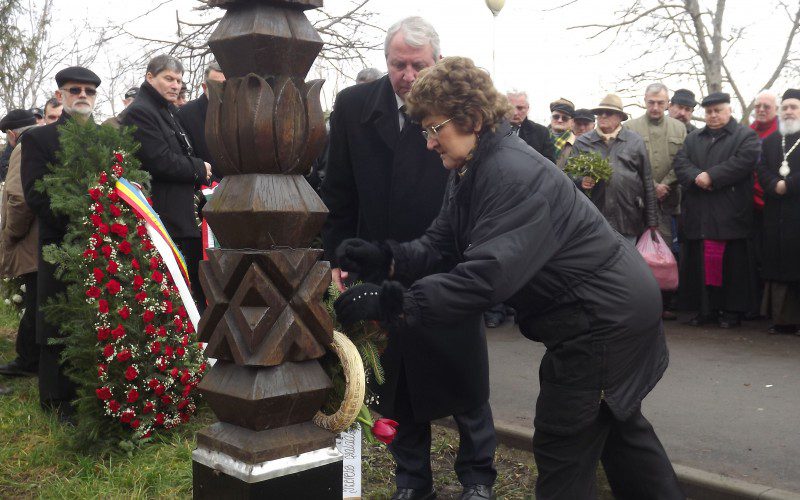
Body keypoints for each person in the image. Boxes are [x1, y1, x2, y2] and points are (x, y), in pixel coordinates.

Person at [333, 56, 683, 500]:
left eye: (434, 129)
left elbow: (487, 278)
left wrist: (394, 304)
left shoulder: (510, 172)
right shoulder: (475, 167)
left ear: (472, 119)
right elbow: (440, 244)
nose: (428, 143)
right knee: (619, 430)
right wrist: (385, 260)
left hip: (600, 320)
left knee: (563, 440)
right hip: (607, 310)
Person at [321, 18, 496, 500]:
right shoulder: (355, 106)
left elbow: (479, 187)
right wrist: (341, 257)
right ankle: (412, 481)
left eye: (417, 64)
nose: (407, 73)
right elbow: (338, 191)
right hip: (380, 266)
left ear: (436, 62)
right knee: (396, 383)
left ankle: (478, 478)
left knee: (465, 379)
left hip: (448, 263)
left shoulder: (457, 112)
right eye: (397, 63)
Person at [21, 65, 103, 422]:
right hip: (61, 243)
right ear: (61, 95)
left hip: (103, 243)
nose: (82, 95)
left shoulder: (104, 138)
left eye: (89, 91)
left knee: (95, 318)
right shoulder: (39, 139)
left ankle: (93, 390)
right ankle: (56, 401)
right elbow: (36, 194)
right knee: (58, 320)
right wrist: (81, 222)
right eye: (75, 90)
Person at [121, 54, 212, 314]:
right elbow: (160, 160)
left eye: (179, 80)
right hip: (167, 217)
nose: (175, 85)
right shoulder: (140, 112)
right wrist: (199, 168)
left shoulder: (167, 110)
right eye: (168, 78)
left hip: (185, 215)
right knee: (180, 293)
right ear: (150, 77)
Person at [673, 92, 761, 329]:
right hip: (700, 213)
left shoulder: (746, 136)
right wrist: (696, 176)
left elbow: (745, 161)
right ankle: (705, 310)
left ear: (729, 110)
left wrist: (712, 176)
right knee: (701, 266)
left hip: (730, 213)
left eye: (718, 110)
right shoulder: (693, 138)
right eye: (709, 111)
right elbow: (680, 163)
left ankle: (731, 311)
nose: (713, 115)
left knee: (733, 267)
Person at [625, 83, 687, 320]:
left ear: (668, 103)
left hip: (668, 201)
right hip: (637, 201)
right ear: (644, 101)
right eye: (651, 102)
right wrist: (651, 186)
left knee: (664, 253)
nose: (656, 107)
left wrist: (665, 185)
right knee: (635, 254)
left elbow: (682, 160)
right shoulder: (630, 127)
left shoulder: (679, 128)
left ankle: (663, 303)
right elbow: (628, 161)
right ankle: (637, 301)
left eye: (661, 103)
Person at [572, 94, 658, 243]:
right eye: (600, 113)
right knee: (597, 263)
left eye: (609, 112)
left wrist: (652, 221)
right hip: (593, 221)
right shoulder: (583, 142)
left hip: (628, 218)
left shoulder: (635, 141)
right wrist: (580, 181)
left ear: (620, 117)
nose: (603, 115)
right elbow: (568, 175)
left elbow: (647, 182)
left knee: (627, 264)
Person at [0, 109, 40, 379]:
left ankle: (27, 361)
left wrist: (11, 233)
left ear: (13, 134)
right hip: (48, 237)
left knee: (36, 302)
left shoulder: (23, 148)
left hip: (30, 239)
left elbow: (18, 197)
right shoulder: (48, 140)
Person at [757, 89, 800, 335]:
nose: (788, 111)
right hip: (775, 213)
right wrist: (773, 184)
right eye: (785, 108)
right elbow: (761, 168)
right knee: (779, 265)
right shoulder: (771, 140)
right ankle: (781, 320)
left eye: (793, 107)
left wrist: (789, 184)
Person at [177, 61, 226, 169]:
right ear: (204, 87)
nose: (222, 90)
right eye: (216, 86)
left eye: (225, 85)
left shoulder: (239, 112)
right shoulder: (186, 114)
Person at [506, 90, 556, 163]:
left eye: (520, 108)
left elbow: (549, 165)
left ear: (528, 108)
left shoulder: (541, 132)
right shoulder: (493, 129)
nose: (515, 113)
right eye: (510, 108)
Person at [548, 97, 575, 168]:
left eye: (565, 118)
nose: (560, 120)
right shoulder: (538, 136)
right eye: (556, 117)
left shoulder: (577, 144)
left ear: (571, 121)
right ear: (551, 118)